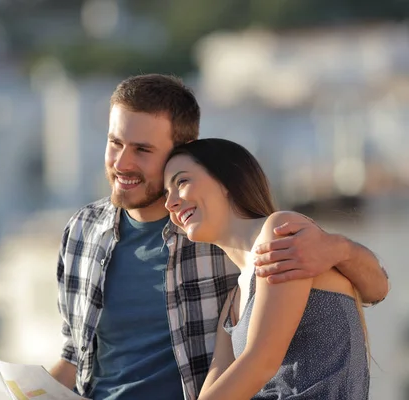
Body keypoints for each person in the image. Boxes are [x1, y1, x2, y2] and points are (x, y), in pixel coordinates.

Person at [49, 74, 389, 400]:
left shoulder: (274, 236)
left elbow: (374, 290)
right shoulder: (82, 231)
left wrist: (339, 249)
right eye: (115, 143)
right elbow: (73, 356)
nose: (122, 162)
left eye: (142, 150)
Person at [164, 138, 371, 399]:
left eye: (181, 182)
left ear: (225, 180)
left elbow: (261, 362)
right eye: (165, 193)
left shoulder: (282, 232)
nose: (169, 203)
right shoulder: (233, 301)